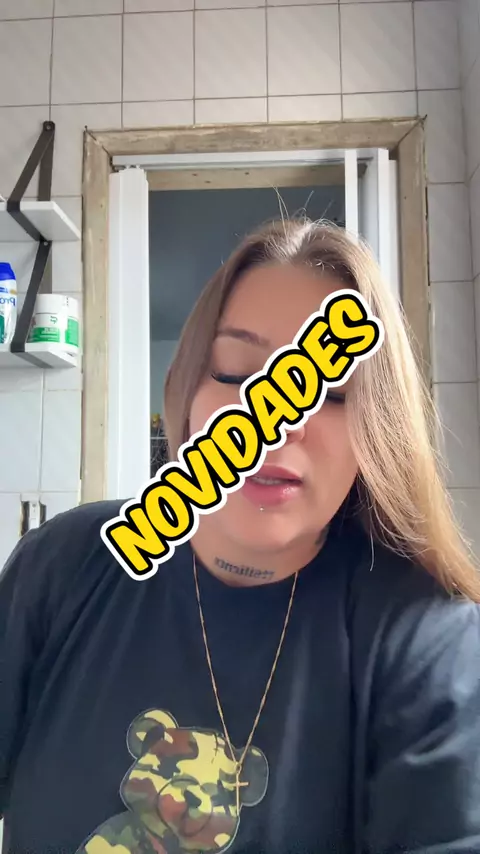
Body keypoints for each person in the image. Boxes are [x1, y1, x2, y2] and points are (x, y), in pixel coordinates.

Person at [1, 219, 480, 854]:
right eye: (236, 374)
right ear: (186, 390)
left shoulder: (427, 640)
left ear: (378, 429)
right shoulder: (62, 567)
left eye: (332, 388)